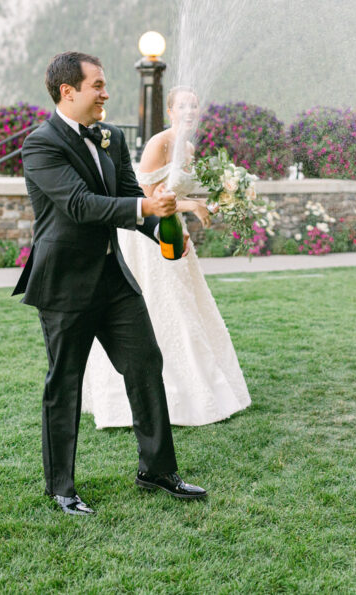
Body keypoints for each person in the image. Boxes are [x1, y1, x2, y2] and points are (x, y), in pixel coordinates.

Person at [14, 52, 206, 516]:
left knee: (145, 364)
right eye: (97, 85)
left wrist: (163, 227)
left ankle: (156, 469)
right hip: (63, 285)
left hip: (112, 278)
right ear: (68, 91)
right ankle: (61, 487)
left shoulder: (111, 136)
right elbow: (80, 205)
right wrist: (145, 210)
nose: (105, 93)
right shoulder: (40, 145)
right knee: (66, 383)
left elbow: (127, 196)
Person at [82, 86, 251, 428]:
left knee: (186, 307)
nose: (189, 111)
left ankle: (193, 389)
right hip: (150, 238)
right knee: (161, 306)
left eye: (194, 105)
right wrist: (190, 207)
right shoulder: (159, 143)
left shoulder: (187, 147)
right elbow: (145, 197)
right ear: (171, 111)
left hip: (176, 233)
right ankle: (138, 395)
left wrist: (223, 199)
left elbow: (180, 192)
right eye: (182, 106)